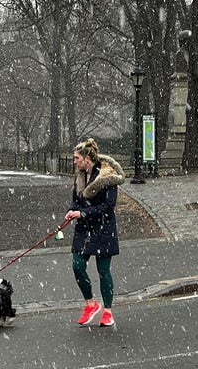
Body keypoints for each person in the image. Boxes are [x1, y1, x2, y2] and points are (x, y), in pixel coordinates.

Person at [64, 138, 125, 327]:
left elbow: (108, 205)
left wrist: (82, 213)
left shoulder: (107, 176)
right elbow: (76, 199)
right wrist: (72, 210)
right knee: (77, 265)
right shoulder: (80, 176)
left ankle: (107, 311)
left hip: (103, 229)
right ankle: (90, 303)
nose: (74, 161)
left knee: (103, 271)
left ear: (87, 158)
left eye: (76, 158)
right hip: (84, 229)